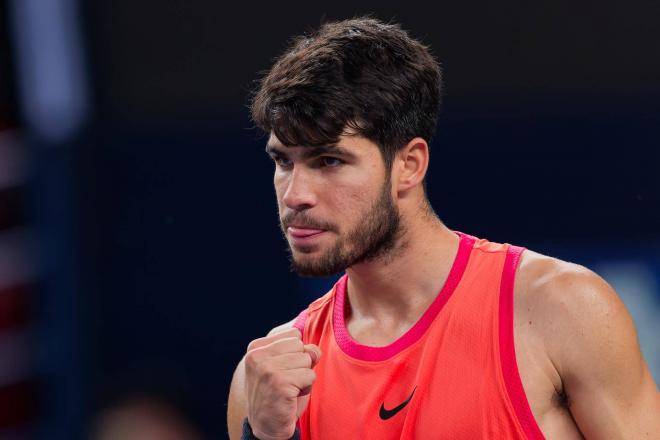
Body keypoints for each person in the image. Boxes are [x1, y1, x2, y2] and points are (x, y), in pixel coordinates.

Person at [227, 17, 660, 439]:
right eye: (283, 161)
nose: (295, 193)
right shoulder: (267, 381)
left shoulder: (558, 309)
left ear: (408, 165)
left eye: (330, 161)